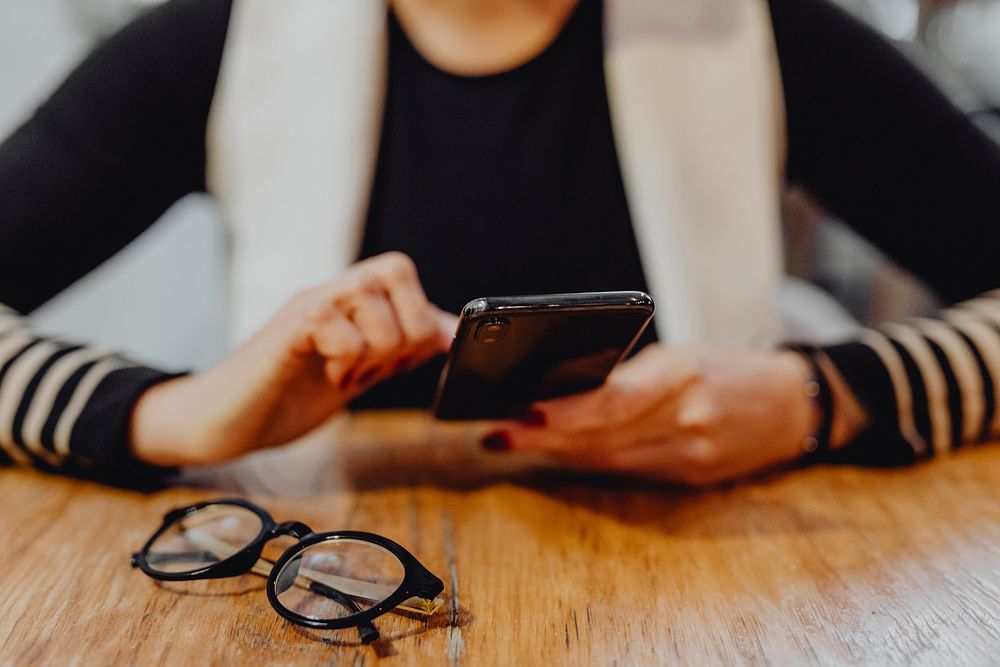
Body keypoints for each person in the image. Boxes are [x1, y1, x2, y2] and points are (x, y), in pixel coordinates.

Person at [1, 0, 999, 487]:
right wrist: (171, 415)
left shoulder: (769, 33)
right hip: (318, 596)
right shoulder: (215, 43)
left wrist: (819, 397)